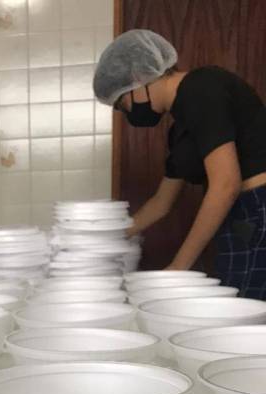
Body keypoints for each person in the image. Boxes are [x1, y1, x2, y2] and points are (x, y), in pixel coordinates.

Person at [93, 29, 266, 298]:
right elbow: (162, 202)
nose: (128, 113)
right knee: (238, 297)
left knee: (247, 307)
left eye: (122, 104)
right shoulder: (181, 127)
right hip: (241, 216)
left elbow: (225, 185)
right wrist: (103, 239)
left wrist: (178, 267)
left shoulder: (201, 89)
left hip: (257, 208)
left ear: (138, 78)